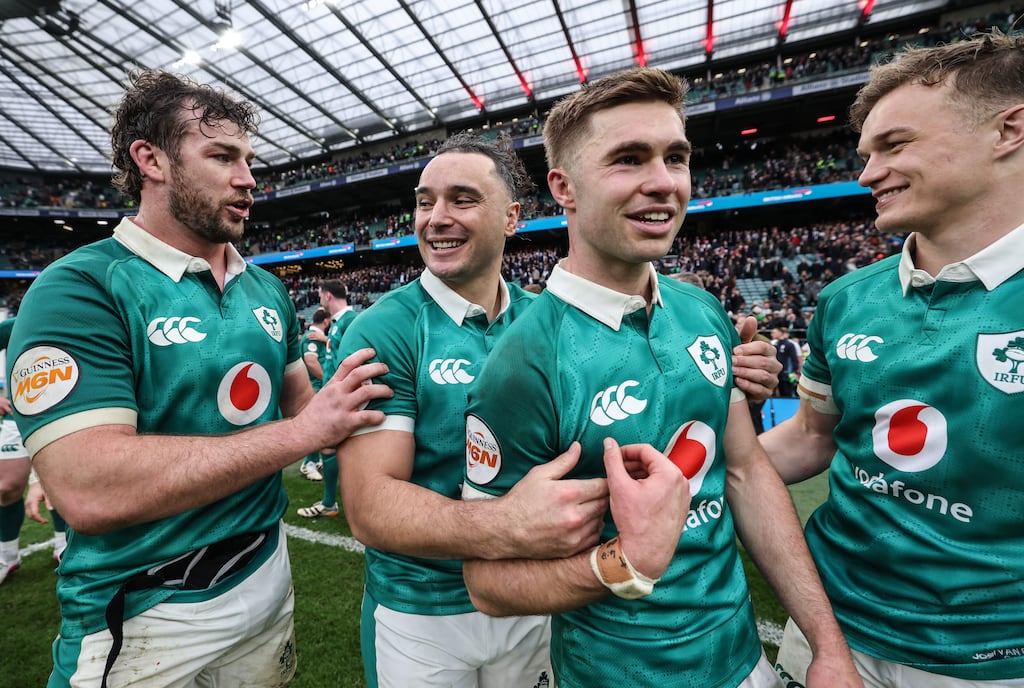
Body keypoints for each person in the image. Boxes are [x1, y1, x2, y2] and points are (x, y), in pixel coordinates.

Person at [335, 131, 784, 687]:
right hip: (420, 610)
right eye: (425, 201)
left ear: (512, 217)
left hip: (539, 598)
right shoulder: (383, 327)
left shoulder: (544, 320)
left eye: (463, 199)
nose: (436, 218)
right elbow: (368, 506)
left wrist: (726, 375)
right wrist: (504, 524)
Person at [460, 68, 861, 688]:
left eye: (676, 157)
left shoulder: (701, 311)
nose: (663, 183)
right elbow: (487, 584)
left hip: (743, 661)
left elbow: (748, 472)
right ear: (563, 188)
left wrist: (826, 645)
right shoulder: (521, 365)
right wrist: (626, 564)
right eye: (628, 159)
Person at [6, 69, 391, 687]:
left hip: (266, 571)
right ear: (150, 159)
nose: (247, 178)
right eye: (222, 157)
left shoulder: (264, 286)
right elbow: (89, 488)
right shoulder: (80, 287)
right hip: (142, 606)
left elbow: (305, 409)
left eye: (247, 158)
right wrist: (303, 434)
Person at [759, 30, 1024, 687]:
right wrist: (695, 473)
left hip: (989, 660)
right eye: (865, 152)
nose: (867, 173)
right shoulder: (847, 299)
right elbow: (810, 437)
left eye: (894, 144)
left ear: (1009, 130)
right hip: (830, 628)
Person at [0, 316, 66, 582]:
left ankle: (63, 545)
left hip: (65, 414)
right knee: (6, 487)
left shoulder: (88, 314)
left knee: (60, 482)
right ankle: (7, 555)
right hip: (16, 415)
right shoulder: (20, 322)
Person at [297, 279, 356, 517]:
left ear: (328, 296)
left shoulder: (350, 321)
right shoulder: (339, 323)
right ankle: (332, 502)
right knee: (328, 447)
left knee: (332, 447)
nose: (319, 299)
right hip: (333, 395)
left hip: (342, 398)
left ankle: (333, 503)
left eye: (320, 294)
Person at [298, 307, 332, 481]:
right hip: (316, 387)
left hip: (319, 386)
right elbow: (311, 362)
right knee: (317, 426)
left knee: (323, 426)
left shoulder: (319, 337)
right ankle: (308, 463)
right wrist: (327, 381)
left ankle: (315, 458)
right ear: (326, 321)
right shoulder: (311, 337)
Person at [770, 325, 802, 397]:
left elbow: (794, 359)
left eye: (774, 332)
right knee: (778, 394)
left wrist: (794, 371)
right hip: (778, 373)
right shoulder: (776, 344)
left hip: (787, 374)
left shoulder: (789, 344)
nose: (772, 334)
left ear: (780, 333)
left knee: (787, 394)